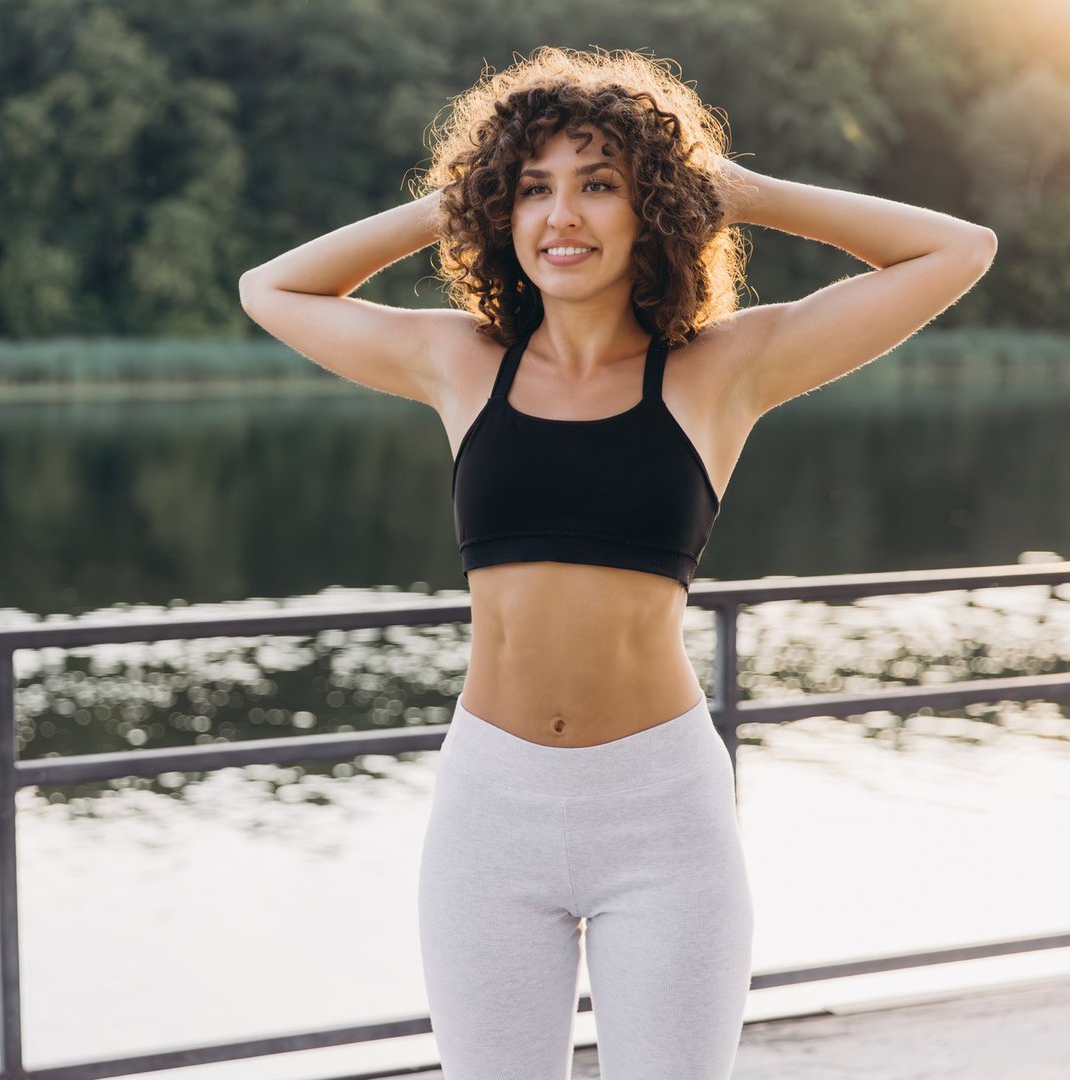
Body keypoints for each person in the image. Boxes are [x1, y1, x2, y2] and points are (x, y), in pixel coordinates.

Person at [239, 44, 995, 1080]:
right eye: (534, 189)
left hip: (661, 811)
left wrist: (750, 193)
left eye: (600, 186)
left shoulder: (719, 371)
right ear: (502, 211)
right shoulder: (459, 361)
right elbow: (271, 288)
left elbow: (957, 250)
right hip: (489, 809)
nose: (564, 217)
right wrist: (454, 198)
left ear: (655, 210)